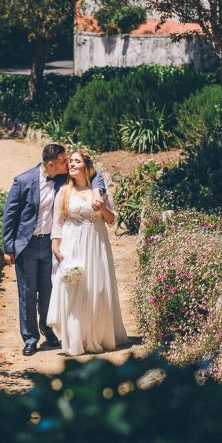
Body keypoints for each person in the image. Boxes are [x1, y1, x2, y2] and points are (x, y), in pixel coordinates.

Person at [2, 144, 106, 356]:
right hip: (27, 245)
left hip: (51, 243)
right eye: (64, 160)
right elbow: (10, 215)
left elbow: (96, 175)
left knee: (49, 290)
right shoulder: (22, 181)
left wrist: (97, 191)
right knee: (28, 293)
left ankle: (47, 328)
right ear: (51, 164)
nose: (68, 163)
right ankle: (30, 338)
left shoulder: (62, 177)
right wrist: (8, 247)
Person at [47, 149, 128, 356]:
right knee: (74, 291)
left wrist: (101, 208)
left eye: (76, 161)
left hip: (96, 244)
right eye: (70, 161)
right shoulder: (64, 191)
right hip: (71, 244)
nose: (71, 164)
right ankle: (76, 340)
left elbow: (111, 220)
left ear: (87, 166)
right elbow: (57, 223)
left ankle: (99, 336)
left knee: (97, 288)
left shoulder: (98, 191)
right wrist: (55, 246)